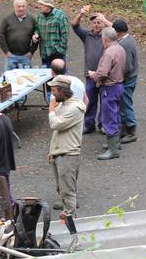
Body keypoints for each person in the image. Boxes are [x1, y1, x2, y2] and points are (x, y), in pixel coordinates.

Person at [46, 75, 86, 218]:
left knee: (68, 192)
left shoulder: (74, 108)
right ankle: (68, 216)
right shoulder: (63, 104)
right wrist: (52, 150)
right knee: (61, 189)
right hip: (59, 153)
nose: (52, 94)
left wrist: (51, 110)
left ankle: (71, 222)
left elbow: (55, 124)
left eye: (54, 90)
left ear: (63, 91)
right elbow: (58, 132)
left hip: (68, 155)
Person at [88, 27, 126, 160]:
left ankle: (113, 150)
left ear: (105, 39)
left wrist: (94, 75)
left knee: (109, 118)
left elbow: (103, 73)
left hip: (110, 88)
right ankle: (115, 143)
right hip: (119, 85)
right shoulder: (120, 48)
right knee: (116, 115)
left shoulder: (109, 52)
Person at [71, 6, 110, 134]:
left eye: (99, 22)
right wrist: (80, 14)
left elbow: (118, 30)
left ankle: (102, 124)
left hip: (104, 75)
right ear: (91, 24)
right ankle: (89, 124)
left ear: (103, 24)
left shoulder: (108, 36)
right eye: (94, 22)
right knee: (90, 100)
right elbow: (74, 25)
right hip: (90, 74)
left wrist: (105, 19)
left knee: (104, 101)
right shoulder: (86, 35)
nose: (97, 25)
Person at [113, 19, 139, 144]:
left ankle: (131, 131)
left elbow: (127, 67)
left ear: (118, 32)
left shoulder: (125, 45)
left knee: (126, 103)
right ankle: (124, 128)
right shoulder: (128, 39)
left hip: (127, 79)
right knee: (124, 103)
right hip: (130, 77)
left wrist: (118, 77)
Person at [0, 0, 38, 71]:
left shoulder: (32, 19)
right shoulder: (7, 19)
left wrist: (31, 52)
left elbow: (37, 34)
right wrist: (6, 51)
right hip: (11, 56)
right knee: (9, 79)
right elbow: (0, 35)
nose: (21, 9)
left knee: (26, 80)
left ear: (26, 6)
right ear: (14, 7)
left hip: (26, 56)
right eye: (18, 6)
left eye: (23, 6)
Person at [32, 0, 69, 68]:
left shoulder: (60, 16)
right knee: (47, 77)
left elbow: (65, 34)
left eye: (42, 4)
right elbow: (37, 29)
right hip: (44, 54)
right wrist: (35, 34)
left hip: (57, 54)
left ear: (48, 5)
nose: (40, 6)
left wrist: (59, 50)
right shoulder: (40, 16)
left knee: (59, 77)